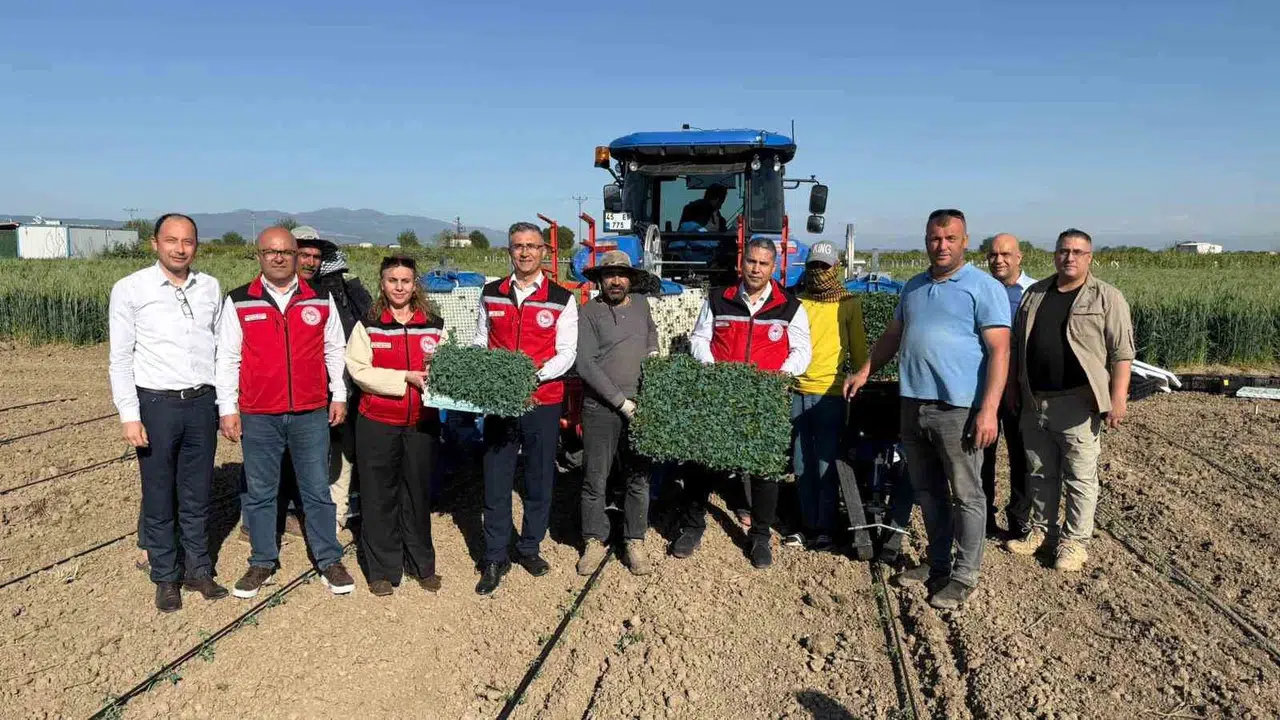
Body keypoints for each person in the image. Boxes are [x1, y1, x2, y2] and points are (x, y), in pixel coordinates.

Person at [844, 209, 1010, 611]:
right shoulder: (914, 288)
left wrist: (988, 410)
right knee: (928, 493)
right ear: (926, 240)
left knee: (967, 494)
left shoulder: (982, 288)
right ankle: (937, 565)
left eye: (950, 238)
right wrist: (865, 370)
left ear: (965, 241)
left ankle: (964, 575)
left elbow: (1000, 350)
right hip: (913, 403)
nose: (942, 245)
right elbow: (893, 335)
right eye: (935, 238)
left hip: (958, 409)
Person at [215, 227, 356, 599]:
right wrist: (228, 408)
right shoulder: (240, 300)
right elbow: (227, 358)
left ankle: (329, 559)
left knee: (316, 490)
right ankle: (262, 560)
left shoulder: (320, 298)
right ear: (259, 256)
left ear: (296, 256)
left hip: (311, 413)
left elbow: (334, 350)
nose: (278, 258)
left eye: (285, 252)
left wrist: (338, 395)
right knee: (261, 492)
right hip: (259, 414)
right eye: (269, 252)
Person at [109, 213, 228, 612]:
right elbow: (120, 358)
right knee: (160, 495)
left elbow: (220, 351)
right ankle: (166, 576)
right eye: (172, 240)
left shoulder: (209, 287)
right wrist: (130, 414)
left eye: (188, 241)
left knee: (196, 495)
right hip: (156, 404)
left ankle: (199, 570)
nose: (180, 248)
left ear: (196, 245)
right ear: (154, 244)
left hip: (200, 403)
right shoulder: (131, 289)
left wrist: (224, 403)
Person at [671, 237, 812, 569]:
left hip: (764, 398)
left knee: (764, 470)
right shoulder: (719, 299)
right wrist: (713, 370)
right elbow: (701, 338)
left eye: (763, 263)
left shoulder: (791, 306)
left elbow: (802, 351)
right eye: (751, 261)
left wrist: (781, 375)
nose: (756, 268)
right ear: (742, 262)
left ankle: (760, 537)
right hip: (719, 394)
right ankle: (692, 526)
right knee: (701, 462)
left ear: (774, 267)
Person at [1004, 229, 1134, 572]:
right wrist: (1015, 387)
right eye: (1064, 251)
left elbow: (1122, 352)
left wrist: (1117, 397)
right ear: (1055, 255)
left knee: (1079, 476)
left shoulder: (1106, 297)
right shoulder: (1035, 293)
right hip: (1035, 399)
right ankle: (1042, 533)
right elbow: (1017, 345)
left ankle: (1074, 543)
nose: (1070, 257)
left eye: (1078, 252)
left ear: (1089, 258)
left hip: (1078, 402)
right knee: (1040, 472)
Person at [472, 222, 579, 595]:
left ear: (544, 253)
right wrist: (490, 379)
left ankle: (530, 547)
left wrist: (533, 377)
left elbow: (567, 353)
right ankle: (495, 554)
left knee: (538, 477)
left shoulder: (563, 298)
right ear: (509, 251)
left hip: (543, 400)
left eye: (532, 246)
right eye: (518, 246)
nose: (525, 252)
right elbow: (479, 341)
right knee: (496, 477)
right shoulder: (491, 294)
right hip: (500, 402)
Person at [344, 255, 445, 596]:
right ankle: (381, 570)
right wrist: (404, 377)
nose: (399, 287)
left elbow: (447, 365)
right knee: (378, 496)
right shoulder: (369, 323)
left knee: (417, 494)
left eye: (405, 281)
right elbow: (359, 370)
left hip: (422, 423)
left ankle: (421, 565)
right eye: (392, 281)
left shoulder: (434, 323)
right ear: (382, 283)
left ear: (414, 284)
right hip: (377, 423)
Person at [575, 250, 660, 576]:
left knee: (639, 476)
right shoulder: (589, 312)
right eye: (609, 275)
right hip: (602, 409)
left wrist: (652, 350)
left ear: (631, 279)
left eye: (621, 274)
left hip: (641, 405)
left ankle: (634, 539)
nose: (615, 280)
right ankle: (593, 541)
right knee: (595, 477)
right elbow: (586, 364)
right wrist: (621, 404)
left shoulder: (641, 304)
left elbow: (650, 332)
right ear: (600, 279)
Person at [784, 241, 867, 552]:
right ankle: (807, 525)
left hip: (831, 395)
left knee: (826, 463)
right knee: (802, 463)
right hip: (797, 390)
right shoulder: (797, 302)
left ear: (836, 269)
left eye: (825, 266)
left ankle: (827, 528)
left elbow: (858, 352)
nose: (819, 272)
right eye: (814, 265)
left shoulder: (848, 303)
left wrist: (859, 385)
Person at [294, 226, 372, 534]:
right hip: (301, 391)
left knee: (338, 451)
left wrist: (342, 389)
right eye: (303, 254)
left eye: (315, 255)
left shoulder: (334, 291)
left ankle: (333, 517)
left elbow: (343, 342)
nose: (310, 261)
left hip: (336, 386)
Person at [982, 233, 1036, 537]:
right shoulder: (982, 289)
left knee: (1022, 455)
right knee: (982, 454)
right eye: (993, 255)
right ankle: (983, 519)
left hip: (1020, 388)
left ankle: (1019, 520)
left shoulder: (1033, 292)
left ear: (1019, 257)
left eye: (1005, 255)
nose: (998, 260)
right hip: (985, 384)